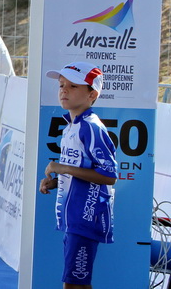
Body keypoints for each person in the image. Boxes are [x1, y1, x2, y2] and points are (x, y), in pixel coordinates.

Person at [39, 62, 117, 289]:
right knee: (76, 283)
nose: (64, 90)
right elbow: (80, 170)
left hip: (86, 216)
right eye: (62, 85)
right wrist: (55, 182)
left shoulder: (91, 127)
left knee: (74, 284)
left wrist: (62, 168)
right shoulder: (71, 126)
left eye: (73, 86)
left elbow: (109, 175)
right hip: (73, 216)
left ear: (92, 94)